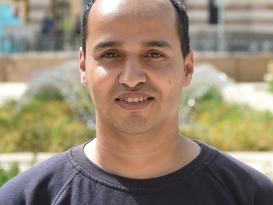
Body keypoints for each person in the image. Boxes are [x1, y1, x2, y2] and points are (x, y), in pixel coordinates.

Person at [0, 0, 272, 204]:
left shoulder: (252, 196)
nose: (131, 78)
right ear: (83, 67)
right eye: (110, 54)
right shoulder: (25, 198)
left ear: (188, 68)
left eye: (154, 54)